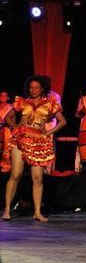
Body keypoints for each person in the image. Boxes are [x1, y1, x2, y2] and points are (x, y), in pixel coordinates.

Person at [2, 76, 66, 222]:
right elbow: (7, 117)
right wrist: (14, 126)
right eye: (31, 87)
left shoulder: (51, 103)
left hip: (39, 141)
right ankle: (7, 210)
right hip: (22, 138)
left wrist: (49, 132)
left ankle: (37, 212)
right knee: (16, 174)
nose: (33, 90)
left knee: (37, 178)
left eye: (36, 87)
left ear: (42, 88)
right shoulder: (22, 102)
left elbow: (63, 122)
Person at [0, 91, 13, 172]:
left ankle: (6, 165)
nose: (2, 97)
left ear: (8, 97)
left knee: (6, 131)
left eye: (4, 96)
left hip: (6, 129)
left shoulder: (10, 107)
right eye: (1, 96)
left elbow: (11, 120)